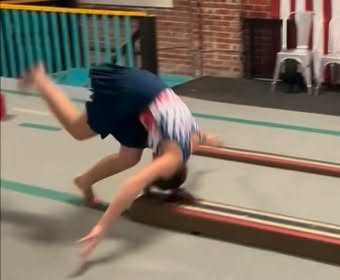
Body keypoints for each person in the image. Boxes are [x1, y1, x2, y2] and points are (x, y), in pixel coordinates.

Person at [19, 63, 223, 263]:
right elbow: (133, 185)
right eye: (155, 167)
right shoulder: (170, 159)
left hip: (148, 95)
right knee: (78, 130)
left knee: (130, 156)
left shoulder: (192, 140)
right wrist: (102, 227)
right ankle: (41, 80)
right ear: (165, 167)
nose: (152, 162)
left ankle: (85, 181)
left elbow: (203, 137)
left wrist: (212, 140)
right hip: (132, 90)